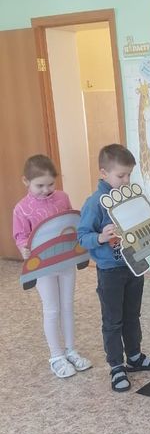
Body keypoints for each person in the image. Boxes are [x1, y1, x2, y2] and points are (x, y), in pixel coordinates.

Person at [78, 144, 150, 392]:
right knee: (113, 320)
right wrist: (100, 237)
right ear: (104, 173)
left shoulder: (131, 197)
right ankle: (116, 366)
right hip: (110, 271)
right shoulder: (95, 203)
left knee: (132, 315)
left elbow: (139, 226)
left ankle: (134, 356)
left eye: (129, 175)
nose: (126, 180)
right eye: (121, 175)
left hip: (134, 264)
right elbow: (82, 237)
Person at [13, 154, 91, 379]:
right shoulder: (21, 209)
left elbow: (70, 223)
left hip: (65, 261)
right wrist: (24, 249)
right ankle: (56, 356)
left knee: (67, 306)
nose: (46, 190)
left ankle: (71, 350)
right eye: (39, 186)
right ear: (26, 181)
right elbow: (21, 236)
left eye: (50, 184)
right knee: (52, 309)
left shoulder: (62, 198)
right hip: (42, 267)